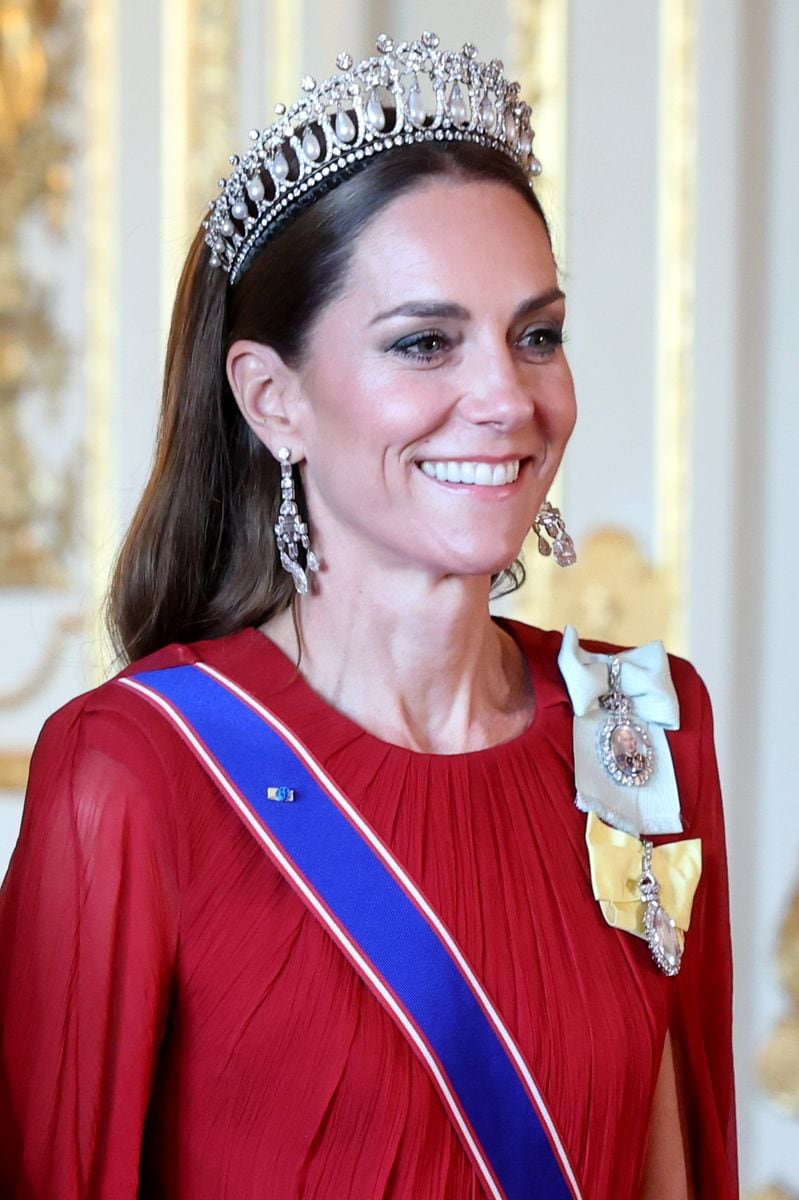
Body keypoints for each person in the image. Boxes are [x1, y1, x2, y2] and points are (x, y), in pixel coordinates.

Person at [0, 32, 737, 1200]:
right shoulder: (135, 771)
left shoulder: (639, 723)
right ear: (272, 398)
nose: (506, 397)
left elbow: (673, 1173)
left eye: (535, 334)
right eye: (423, 343)